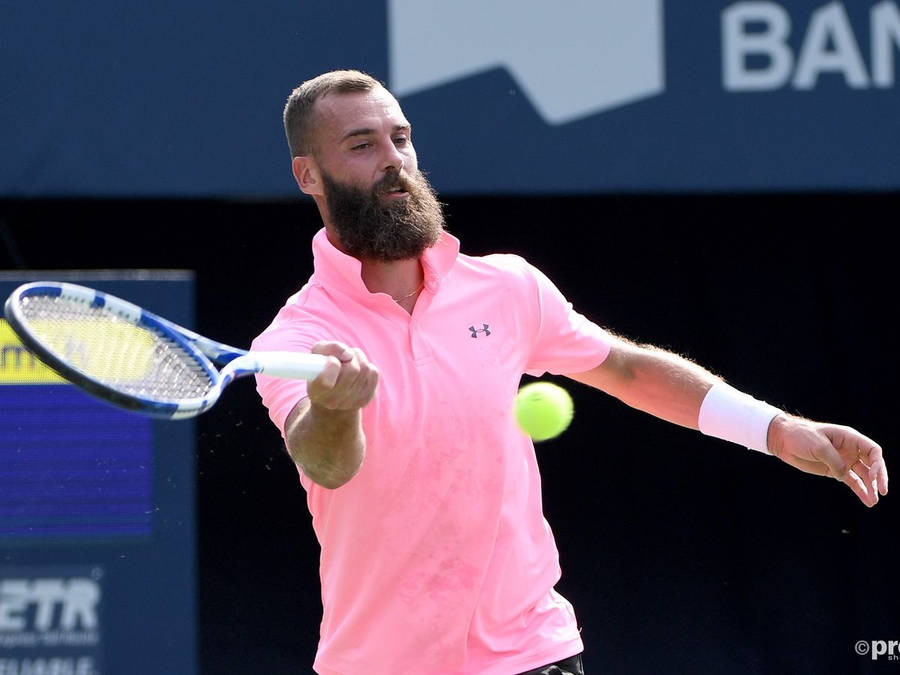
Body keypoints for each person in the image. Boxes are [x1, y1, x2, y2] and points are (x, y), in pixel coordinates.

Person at [252, 70, 888, 675]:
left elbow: (627, 370)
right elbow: (325, 464)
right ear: (309, 175)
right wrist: (337, 408)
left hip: (532, 651)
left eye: (402, 137)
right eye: (362, 145)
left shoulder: (507, 287)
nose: (395, 159)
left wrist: (773, 429)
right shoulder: (297, 338)